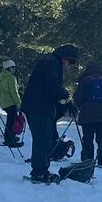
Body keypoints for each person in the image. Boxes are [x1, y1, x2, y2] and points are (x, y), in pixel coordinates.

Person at [21, 44, 79, 183]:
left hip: (39, 107)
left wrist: (64, 105)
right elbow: (52, 86)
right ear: (64, 58)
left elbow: (49, 90)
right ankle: (39, 173)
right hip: (38, 107)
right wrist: (66, 96)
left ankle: (41, 170)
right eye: (70, 62)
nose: (68, 66)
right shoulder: (52, 63)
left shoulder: (50, 62)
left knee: (45, 139)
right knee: (42, 140)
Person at [74, 61, 102, 167]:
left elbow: (77, 98)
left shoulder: (84, 81)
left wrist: (82, 108)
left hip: (87, 115)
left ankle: (87, 159)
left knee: (87, 138)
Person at [0, 59, 23, 147]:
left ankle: (8, 137)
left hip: (4, 103)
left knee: (10, 121)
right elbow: (14, 92)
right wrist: (18, 103)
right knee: (12, 121)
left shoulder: (1, 77)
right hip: (11, 102)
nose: (14, 69)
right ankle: (10, 139)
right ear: (9, 68)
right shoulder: (11, 77)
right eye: (13, 67)